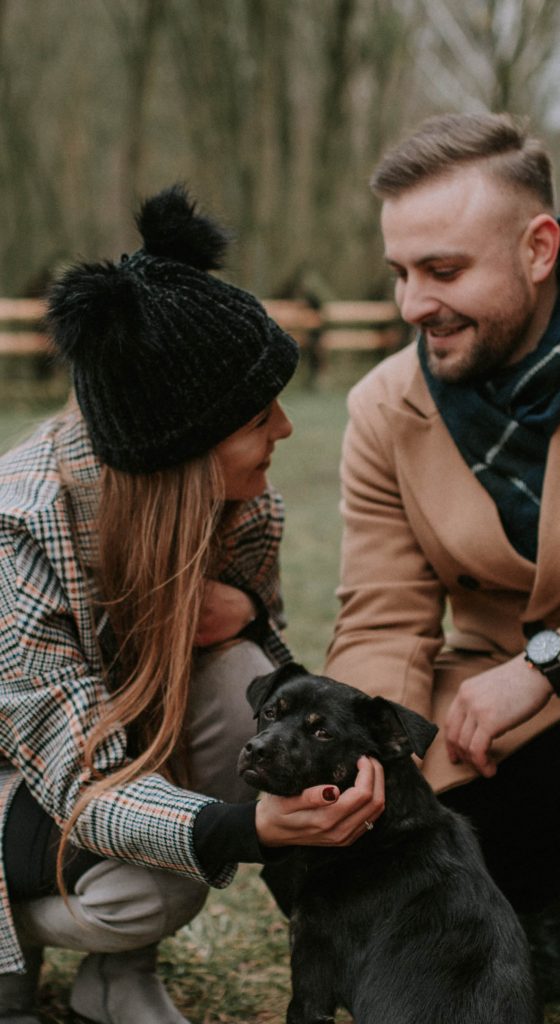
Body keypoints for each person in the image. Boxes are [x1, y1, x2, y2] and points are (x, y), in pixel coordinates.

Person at [324, 112, 560, 1024]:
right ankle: (534, 900)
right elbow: (380, 620)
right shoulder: (381, 408)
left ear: (536, 247)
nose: (412, 305)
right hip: (502, 738)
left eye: (442, 271)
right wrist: (358, 767)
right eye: (400, 273)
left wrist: (550, 662)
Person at [0, 185, 384, 1024]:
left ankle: (117, 974)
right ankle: (13, 940)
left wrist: (245, 613)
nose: (284, 428)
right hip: (17, 783)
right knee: (159, 881)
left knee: (243, 675)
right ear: (180, 450)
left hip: (113, 753)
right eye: (257, 414)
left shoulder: (245, 507)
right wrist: (249, 832)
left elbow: (252, 679)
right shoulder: (20, 528)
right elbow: (75, 782)